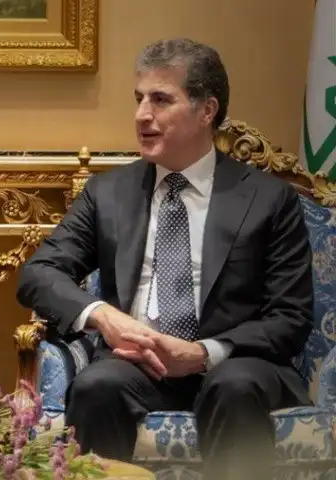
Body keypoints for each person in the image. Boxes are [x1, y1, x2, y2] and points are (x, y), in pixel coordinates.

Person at [16, 38, 314, 480]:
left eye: (160, 99)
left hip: (235, 364)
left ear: (206, 110)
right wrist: (103, 316)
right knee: (97, 384)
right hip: (138, 365)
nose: (142, 115)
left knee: (234, 386)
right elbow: (39, 274)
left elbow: (290, 317)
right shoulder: (108, 194)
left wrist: (201, 353)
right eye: (139, 99)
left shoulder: (268, 199)